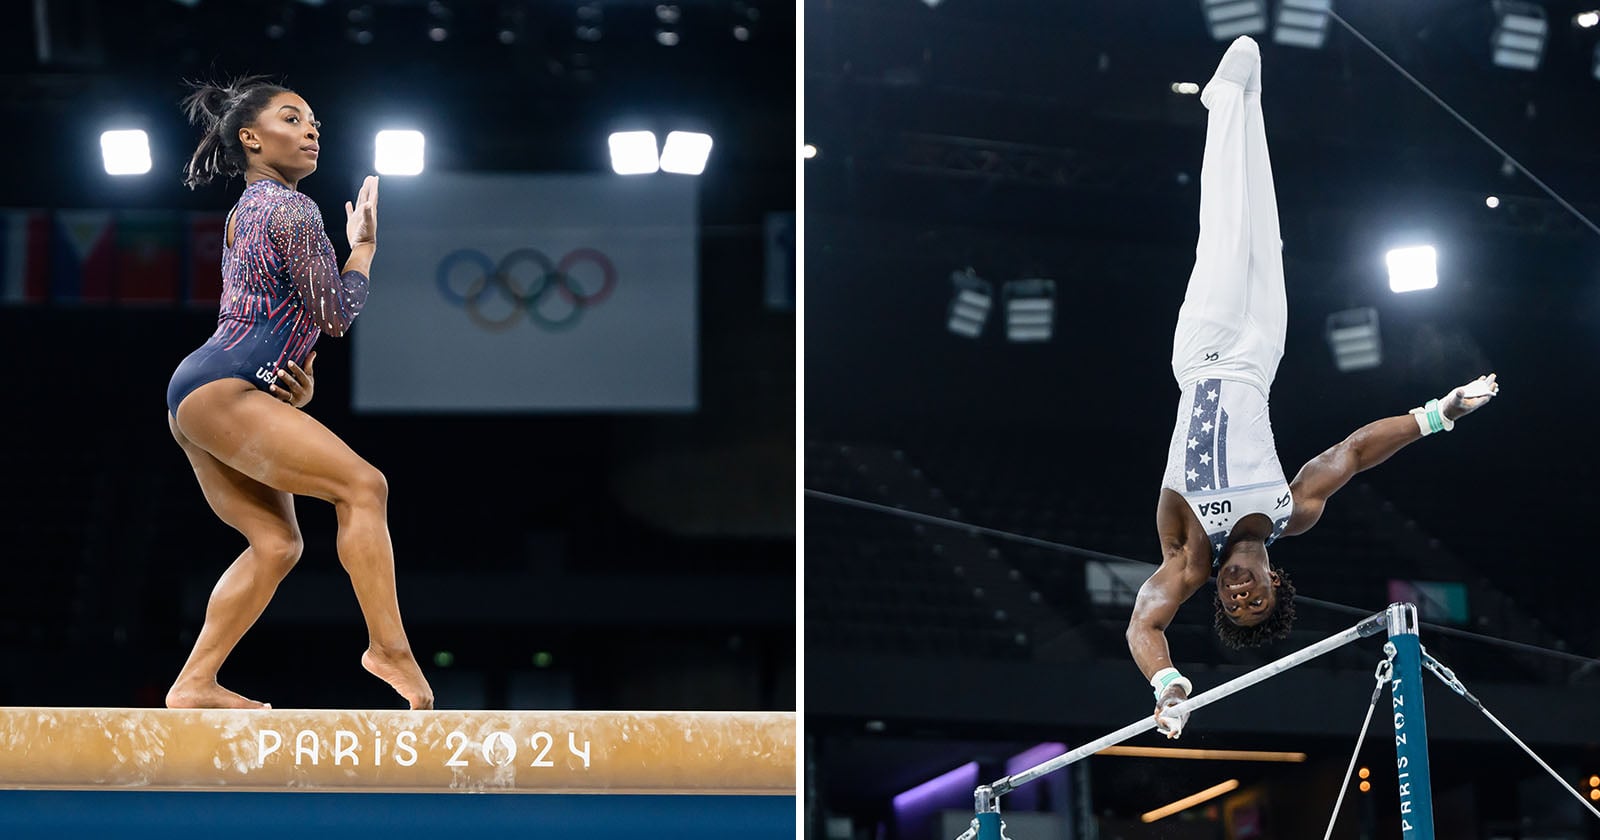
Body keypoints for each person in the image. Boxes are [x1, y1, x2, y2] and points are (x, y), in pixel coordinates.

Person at [1125, 38, 1497, 738]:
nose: (1239, 592)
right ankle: (1250, 99)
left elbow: (1145, 621)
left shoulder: (1187, 551)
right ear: (1275, 583)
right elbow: (1354, 453)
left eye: (1233, 604)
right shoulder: (1293, 509)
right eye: (1255, 599)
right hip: (1261, 352)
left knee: (1225, 235)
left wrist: (1167, 682)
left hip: (1203, 353)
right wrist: (1437, 415)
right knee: (1265, 230)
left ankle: (1220, 105)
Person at [163, 75, 433, 710]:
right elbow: (335, 313)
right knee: (364, 487)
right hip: (226, 388)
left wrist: (279, 386)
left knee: (277, 543)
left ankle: (194, 682)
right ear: (251, 138)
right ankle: (388, 648)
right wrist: (362, 250)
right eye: (293, 118)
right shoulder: (289, 206)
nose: (311, 130)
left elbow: (266, 316)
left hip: (205, 393)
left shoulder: (246, 213)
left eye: (314, 121)